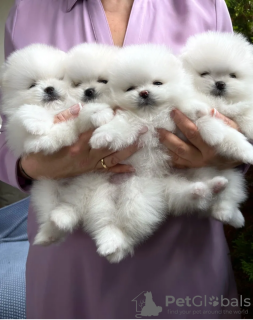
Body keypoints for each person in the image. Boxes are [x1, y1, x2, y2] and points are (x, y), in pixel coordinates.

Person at [0, 0, 245, 318]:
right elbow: (7, 128)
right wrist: (27, 165)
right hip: (71, 262)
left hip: (183, 256)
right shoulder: (28, 10)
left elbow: (243, 99)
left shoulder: (205, 6)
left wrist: (228, 153)